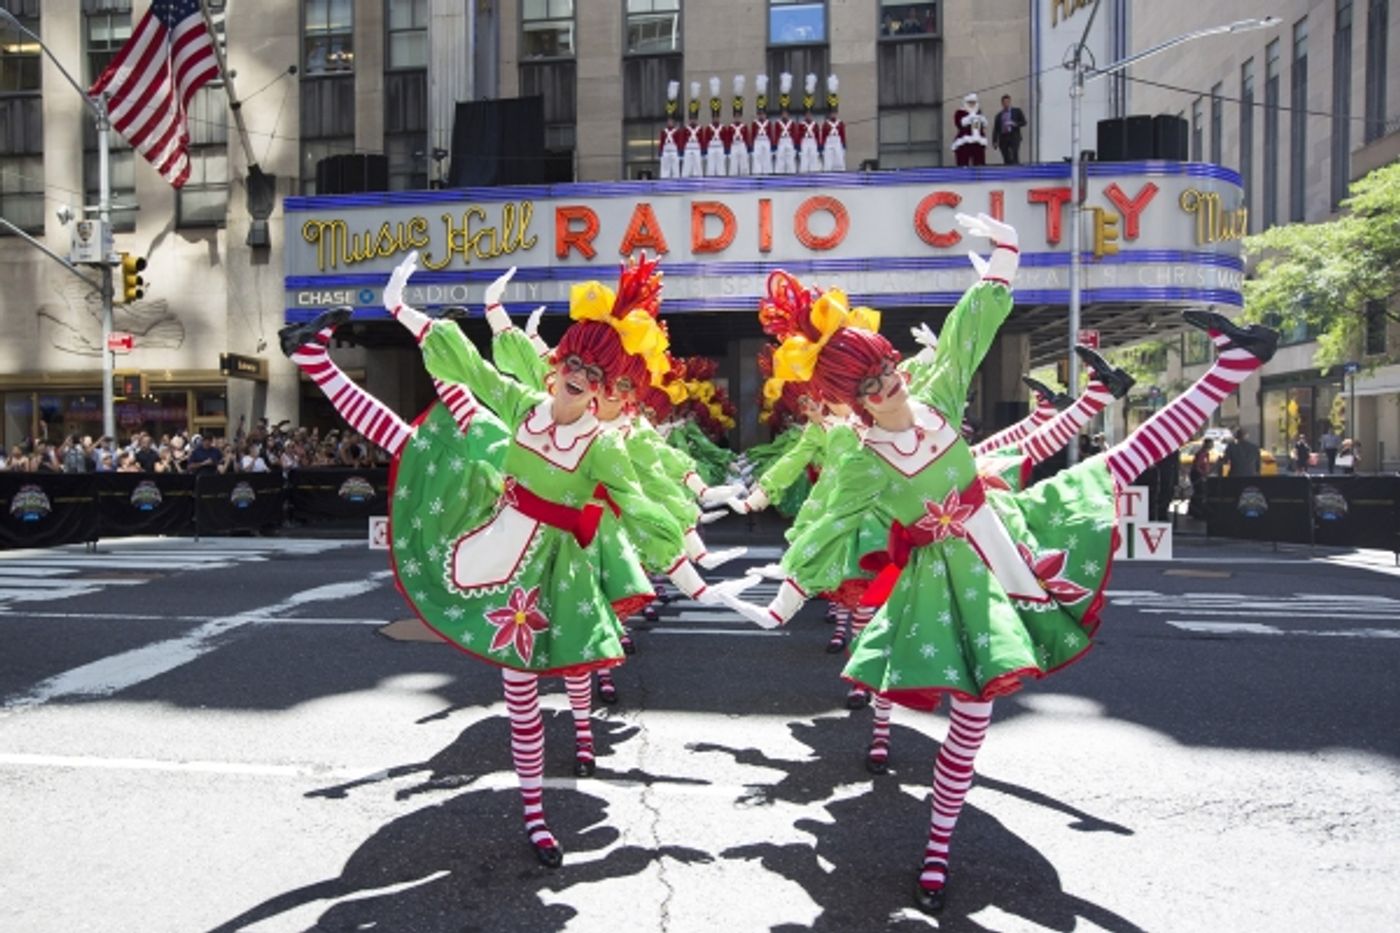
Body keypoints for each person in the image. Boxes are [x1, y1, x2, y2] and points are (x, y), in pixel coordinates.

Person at [715, 211, 1279, 915]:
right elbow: (826, 525)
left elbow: (967, 331)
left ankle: (1235, 362)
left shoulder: (938, 399)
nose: (889, 384)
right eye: (871, 383)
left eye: (887, 368)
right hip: (939, 581)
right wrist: (781, 600)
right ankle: (933, 845)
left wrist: (1007, 251)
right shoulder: (860, 462)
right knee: (956, 712)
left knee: (1115, 467)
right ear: (848, 401)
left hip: (1001, 538)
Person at [951, 92, 988, 167]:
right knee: (963, 161)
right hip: (965, 141)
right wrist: (971, 117)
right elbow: (960, 123)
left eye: (973, 102)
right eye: (970, 102)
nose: (972, 104)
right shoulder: (960, 112)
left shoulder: (979, 113)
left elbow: (984, 124)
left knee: (979, 162)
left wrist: (980, 119)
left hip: (978, 141)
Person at [990, 94, 1027, 165]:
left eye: (1007, 102)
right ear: (1002, 103)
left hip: (1014, 136)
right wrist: (995, 141)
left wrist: (1015, 124)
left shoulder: (1017, 111)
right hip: (1003, 137)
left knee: (1014, 154)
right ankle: (1007, 170)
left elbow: (1024, 122)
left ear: (1010, 102)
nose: (1006, 104)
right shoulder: (999, 115)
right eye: (1004, 102)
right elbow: (996, 129)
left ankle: (1016, 170)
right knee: (1006, 156)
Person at [820, 74, 846, 172]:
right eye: (832, 113)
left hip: (837, 141)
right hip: (829, 142)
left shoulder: (840, 123)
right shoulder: (826, 124)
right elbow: (823, 136)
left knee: (839, 161)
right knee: (828, 162)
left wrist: (843, 146)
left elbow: (843, 135)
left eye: (835, 112)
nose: (833, 115)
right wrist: (821, 146)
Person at [657, 81, 682, 179]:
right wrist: (660, 151)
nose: (670, 122)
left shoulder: (676, 131)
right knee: (665, 170)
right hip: (666, 151)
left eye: (671, 121)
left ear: (674, 122)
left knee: (675, 170)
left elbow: (679, 142)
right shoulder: (664, 131)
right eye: (668, 121)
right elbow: (662, 142)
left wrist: (680, 151)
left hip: (674, 150)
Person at [1188, 437, 1214, 518]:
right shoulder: (1201, 453)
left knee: (1199, 492)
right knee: (1199, 492)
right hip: (1197, 475)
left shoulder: (1206, 454)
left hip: (1201, 474)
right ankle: (1195, 511)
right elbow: (1197, 466)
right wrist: (1202, 474)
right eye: (1211, 444)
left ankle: (1194, 510)